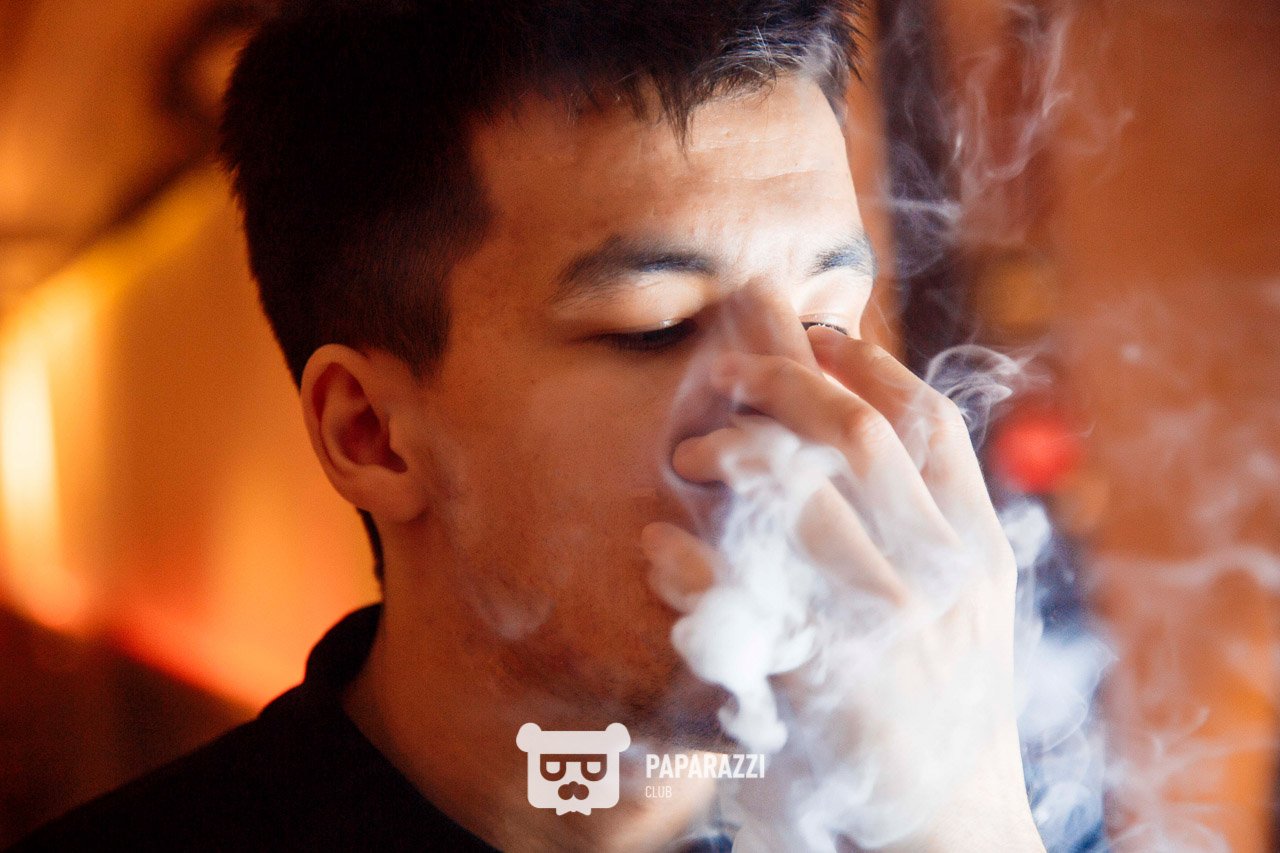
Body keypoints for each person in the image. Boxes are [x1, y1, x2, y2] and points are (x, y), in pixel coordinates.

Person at [10, 1, 1046, 851]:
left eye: (827, 318)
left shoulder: (957, 800)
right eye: (656, 326)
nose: (802, 429)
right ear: (371, 434)